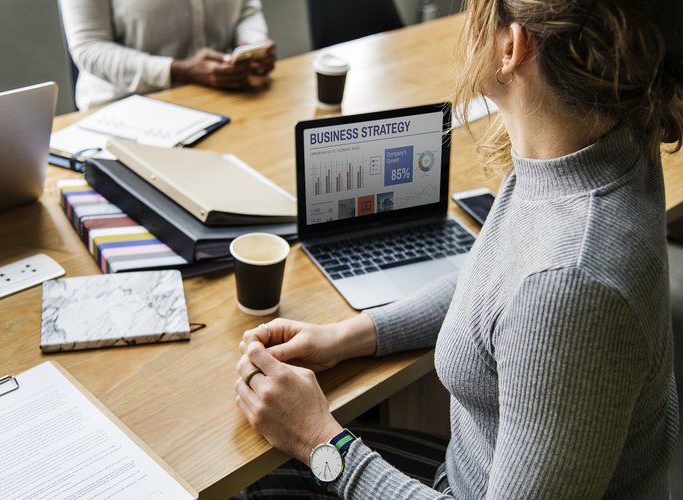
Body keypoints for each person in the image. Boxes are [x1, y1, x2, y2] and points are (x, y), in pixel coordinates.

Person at [234, 0, 682, 497]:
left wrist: (320, 440)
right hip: (472, 469)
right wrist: (349, 336)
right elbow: (501, 277)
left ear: (512, 47)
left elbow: (542, 290)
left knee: (258, 479)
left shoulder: (568, 283)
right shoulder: (597, 141)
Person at [58, 0, 276, 110]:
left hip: (225, 98)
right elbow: (89, 46)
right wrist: (178, 71)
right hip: (127, 109)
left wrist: (251, 46)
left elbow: (248, 10)